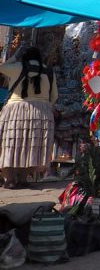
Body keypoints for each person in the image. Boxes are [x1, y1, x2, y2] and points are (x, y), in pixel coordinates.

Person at [0, 46, 57, 188]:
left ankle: (10, 180)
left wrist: (15, 56)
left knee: (11, 145)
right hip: (42, 113)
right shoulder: (49, 71)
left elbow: (2, 67)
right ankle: (24, 179)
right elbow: (54, 96)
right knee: (29, 146)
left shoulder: (18, 66)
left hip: (16, 111)